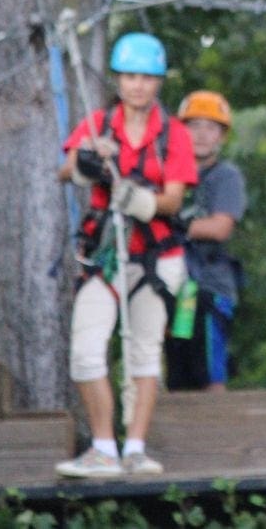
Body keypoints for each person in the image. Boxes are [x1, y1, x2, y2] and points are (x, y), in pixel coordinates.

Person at [55, 31, 197, 477]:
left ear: (157, 83)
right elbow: (64, 170)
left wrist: (134, 198)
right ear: (119, 80)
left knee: (143, 352)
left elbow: (174, 199)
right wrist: (87, 162)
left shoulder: (172, 136)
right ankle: (103, 447)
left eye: (146, 78)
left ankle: (134, 447)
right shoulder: (99, 126)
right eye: (130, 76)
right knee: (86, 350)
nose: (137, 85)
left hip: (155, 258)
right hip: (106, 257)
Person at [164, 90, 247, 392]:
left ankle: (219, 433)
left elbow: (220, 227)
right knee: (179, 368)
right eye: (194, 125)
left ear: (222, 136)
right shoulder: (170, 176)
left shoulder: (224, 176)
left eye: (210, 127)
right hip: (178, 288)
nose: (201, 134)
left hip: (209, 287)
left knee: (210, 369)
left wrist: (174, 223)